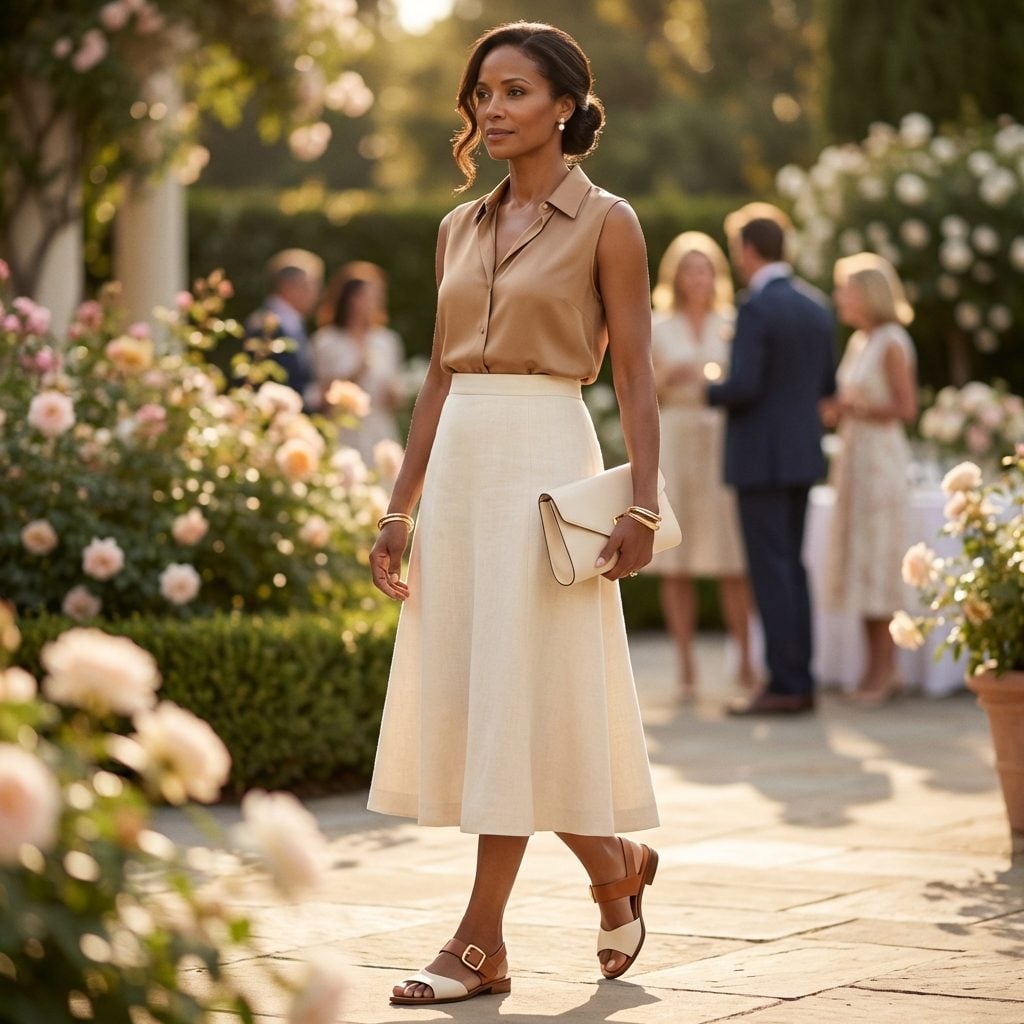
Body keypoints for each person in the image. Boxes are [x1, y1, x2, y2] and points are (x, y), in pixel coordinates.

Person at [365, 21, 661, 1007]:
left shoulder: (608, 220)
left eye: (515, 91)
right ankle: (614, 863)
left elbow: (636, 374)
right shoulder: (456, 227)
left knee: (516, 695)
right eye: (482, 93)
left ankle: (478, 942)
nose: (492, 108)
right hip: (461, 472)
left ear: (565, 106)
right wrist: (399, 507)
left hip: (545, 461)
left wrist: (644, 508)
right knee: (493, 700)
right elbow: (438, 380)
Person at [706, 203, 837, 716]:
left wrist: (706, 388)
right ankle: (799, 678)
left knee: (770, 571)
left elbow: (744, 386)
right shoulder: (816, 305)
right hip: (803, 455)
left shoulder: (755, 308)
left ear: (747, 250)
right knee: (793, 569)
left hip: (761, 459)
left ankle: (785, 684)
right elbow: (827, 386)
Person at [647, 232, 756, 699]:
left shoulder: (733, 322)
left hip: (720, 440)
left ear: (717, 275)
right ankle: (686, 666)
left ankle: (748, 659)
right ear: (675, 276)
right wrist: (669, 376)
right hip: (675, 437)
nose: (697, 277)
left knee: (733, 557)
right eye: (689, 268)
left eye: (705, 268)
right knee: (677, 559)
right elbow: (640, 390)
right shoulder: (657, 326)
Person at [821, 253, 918, 706]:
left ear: (869, 294)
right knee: (860, 560)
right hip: (855, 459)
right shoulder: (861, 341)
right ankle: (872, 666)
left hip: (880, 463)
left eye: (847, 290)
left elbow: (905, 408)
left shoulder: (892, 341)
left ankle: (886, 669)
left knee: (879, 560)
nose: (841, 299)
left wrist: (855, 409)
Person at [311, 261, 406, 462]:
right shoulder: (326, 341)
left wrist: (396, 395)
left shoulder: (387, 341)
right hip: (343, 431)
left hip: (380, 431)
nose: (373, 303)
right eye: (367, 296)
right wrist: (357, 372)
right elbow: (322, 396)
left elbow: (394, 394)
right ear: (348, 299)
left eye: (377, 296)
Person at [246, 248, 324, 412]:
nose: (317, 294)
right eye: (312, 285)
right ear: (288, 286)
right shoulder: (263, 325)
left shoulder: (293, 324)